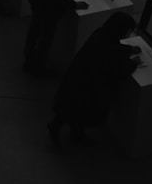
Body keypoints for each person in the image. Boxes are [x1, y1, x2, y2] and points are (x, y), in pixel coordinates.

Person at [48, 13, 139, 146]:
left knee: (71, 106)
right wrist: (134, 63)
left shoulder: (101, 34)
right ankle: (72, 132)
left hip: (78, 78)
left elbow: (114, 49)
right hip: (89, 86)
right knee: (80, 108)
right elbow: (119, 70)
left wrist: (129, 49)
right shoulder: (110, 47)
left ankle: (68, 130)